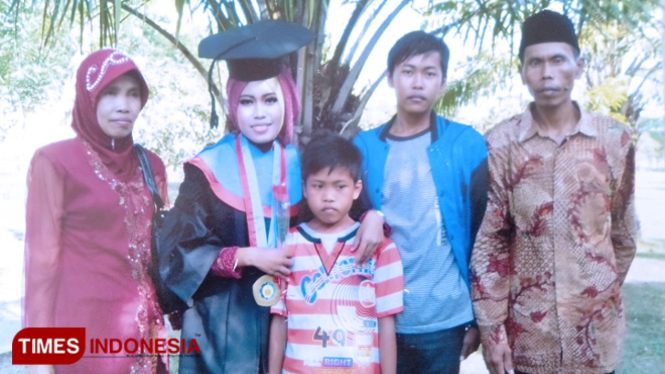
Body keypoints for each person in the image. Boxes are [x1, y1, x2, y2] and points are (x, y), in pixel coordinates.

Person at [158, 20, 386, 374]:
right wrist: (247, 255)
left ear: (287, 100)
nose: (259, 113)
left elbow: (351, 209)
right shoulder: (207, 169)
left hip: (302, 315)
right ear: (234, 106)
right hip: (224, 325)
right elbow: (179, 253)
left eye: (269, 99)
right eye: (247, 101)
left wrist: (374, 217)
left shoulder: (310, 166)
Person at [470, 10, 637, 374]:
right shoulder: (501, 145)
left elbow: (623, 233)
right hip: (528, 337)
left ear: (578, 65)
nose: (547, 73)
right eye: (536, 62)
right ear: (522, 71)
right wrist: (492, 329)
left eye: (558, 60)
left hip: (596, 337)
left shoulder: (614, 140)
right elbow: (490, 242)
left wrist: (598, 287)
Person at [23, 49, 169, 374]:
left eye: (133, 94)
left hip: (143, 337)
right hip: (84, 339)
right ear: (88, 98)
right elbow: (41, 270)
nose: (124, 105)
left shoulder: (151, 166)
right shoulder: (55, 162)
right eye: (110, 93)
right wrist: (38, 359)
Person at [353, 31, 488, 374]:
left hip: (445, 316)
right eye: (408, 71)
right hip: (380, 314)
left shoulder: (466, 144)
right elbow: (340, 218)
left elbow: (483, 233)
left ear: (442, 82)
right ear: (390, 78)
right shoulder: (364, 148)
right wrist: (370, 214)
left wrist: (477, 316)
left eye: (429, 73)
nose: (418, 82)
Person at [268, 133, 404, 374]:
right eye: (318, 186)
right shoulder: (286, 245)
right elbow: (279, 319)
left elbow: (386, 323)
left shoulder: (382, 249)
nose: (328, 196)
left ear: (356, 189)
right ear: (305, 189)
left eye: (340, 186)